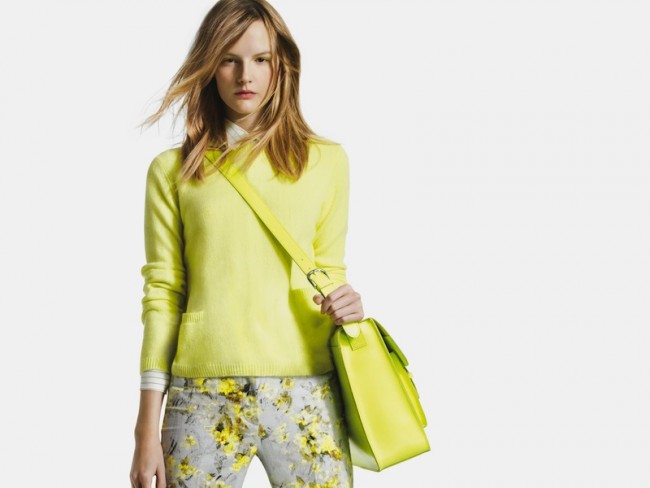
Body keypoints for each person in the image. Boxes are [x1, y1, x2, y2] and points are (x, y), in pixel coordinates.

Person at [129, 1, 364, 487]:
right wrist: (145, 431)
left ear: (283, 65)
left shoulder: (327, 162)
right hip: (201, 395)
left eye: (261, 59)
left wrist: (347, 305)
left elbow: (328, 272)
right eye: (228, 60)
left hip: (308, 391)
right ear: (208, 65)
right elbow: (163, 295)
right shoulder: (172, 171)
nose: (245, 76)